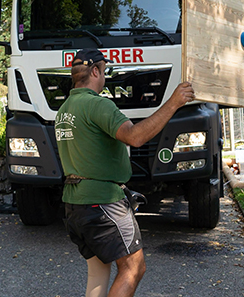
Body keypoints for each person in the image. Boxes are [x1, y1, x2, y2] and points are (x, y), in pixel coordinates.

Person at [56, 48, 195, 297]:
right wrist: (173, 102)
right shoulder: (98, 104)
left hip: (74, 204)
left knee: (97, 274)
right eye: (105, 71)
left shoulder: (65, 110)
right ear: (95, 71)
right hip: (103, 203)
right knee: (134, 268)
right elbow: (135, 137)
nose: (106, 77)